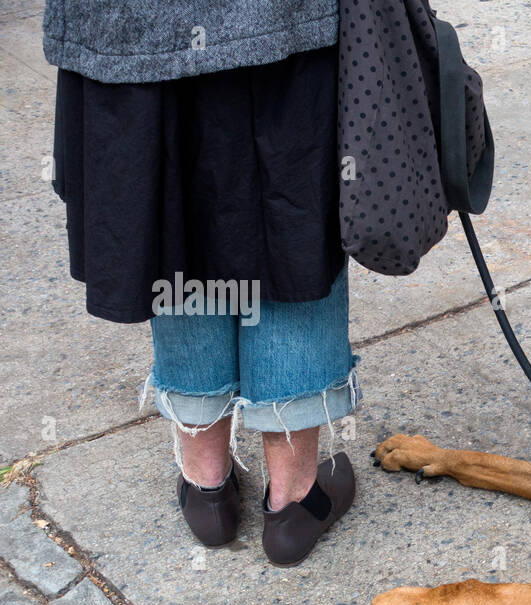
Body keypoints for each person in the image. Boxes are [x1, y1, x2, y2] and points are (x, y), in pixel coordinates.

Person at [44, 0, 357, 566]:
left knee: (175, 211)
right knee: (288, 219)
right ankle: (292, 499)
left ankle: (206, 485)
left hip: (133, 27)